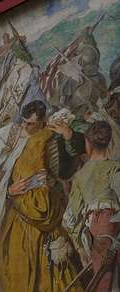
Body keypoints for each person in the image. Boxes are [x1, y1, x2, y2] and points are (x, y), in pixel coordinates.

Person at [0, 100, 82, 291]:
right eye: (24, 122)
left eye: (31, 124)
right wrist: (9, 191)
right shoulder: (16, 142)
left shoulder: (51, 139)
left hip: (45, 211)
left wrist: (68, 136)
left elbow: (66, 170)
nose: (26, 127)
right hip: (19, 216)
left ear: (42, 122)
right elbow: (2, 180)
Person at [64, 121, 120, 291]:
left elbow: (70, 219)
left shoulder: (80, 176)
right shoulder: (115, 168)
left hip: (99, 233)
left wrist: (81, 248)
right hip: (109, 231)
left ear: (87, 143)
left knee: (105, 283)